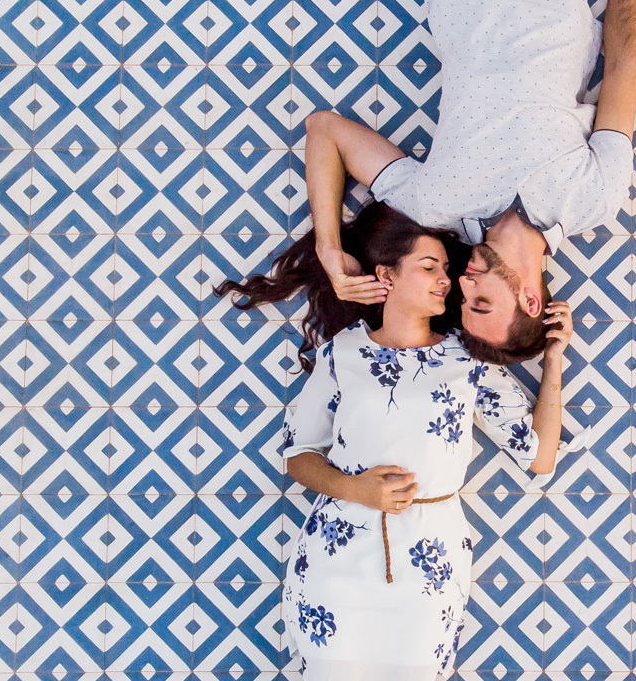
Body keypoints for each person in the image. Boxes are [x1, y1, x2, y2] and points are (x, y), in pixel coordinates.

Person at [215, 202, 573, 681]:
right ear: (386, 275)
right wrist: (358, 490)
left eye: (446, 269)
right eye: (429, 267)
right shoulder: (342, 351)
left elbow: (539, 456)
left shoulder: (468, 362)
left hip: (431, 563)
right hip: (337, 555)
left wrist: (554, 359)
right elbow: (297, 456)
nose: (446, 280)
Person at [305, 0, 636, 364]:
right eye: (480, 300)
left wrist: (328, 246)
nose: (462, 284)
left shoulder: (435, 206)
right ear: (532, 301)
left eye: (462, 300)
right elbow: (624, 66)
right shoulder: (594, 200)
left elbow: (324, 130)